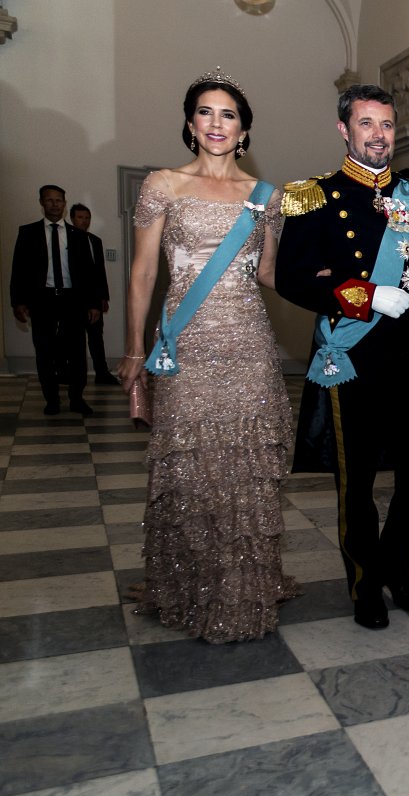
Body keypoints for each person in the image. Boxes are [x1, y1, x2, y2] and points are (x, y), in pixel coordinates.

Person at [117, 69, 297, 643]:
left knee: (245, 470)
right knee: (190, 471)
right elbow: (144, 271)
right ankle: (189, 586)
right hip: (185, 345)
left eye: (228, 115)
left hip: (248, 344)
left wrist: (340, 284)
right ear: (190, 123)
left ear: (244, 129)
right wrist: (134, 346)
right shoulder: (162, 185)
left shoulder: (265, 198)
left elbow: (270, 273)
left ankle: (241, 589)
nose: (216, 124)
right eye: (205, 112)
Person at [275, 84, 409, 631]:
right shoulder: (314, 196)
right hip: (354, 355)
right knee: (360, 480)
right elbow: (292, 278)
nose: (379, 135)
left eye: (387, 125)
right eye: (367, 124)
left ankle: (396, 567)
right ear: (344, 130)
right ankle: (365, 581)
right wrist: (365, 294)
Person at [10, 185, 102, 415]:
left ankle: (76, 398)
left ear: (64, 203)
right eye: (49, 200)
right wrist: (18, 301)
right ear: (42, 203)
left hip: (73, 300)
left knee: (77, 351)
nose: (54, 204)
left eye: (59, 200)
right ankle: (51, 399)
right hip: (43, 299)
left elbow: (89, 273)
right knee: (45, 351)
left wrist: (94, 303)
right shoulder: (28, 233)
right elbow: (18, 269)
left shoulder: (78, 236)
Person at [70, 203, 120, 385]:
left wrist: (103, 298)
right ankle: (72, 373)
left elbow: (99, 271)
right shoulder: (66, 239)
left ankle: (102, 372)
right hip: (74, 300)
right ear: (72, 218)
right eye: (80, 217)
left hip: (95, 298)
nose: (84, 221)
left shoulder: (94, 241)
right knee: (73, 340)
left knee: (96, 337)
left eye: (86, 217)